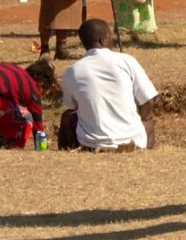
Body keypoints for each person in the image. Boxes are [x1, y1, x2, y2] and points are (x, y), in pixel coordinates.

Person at [59, 19, 158, 151]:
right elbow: (148, 101)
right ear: (103, 40)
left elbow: (71, 107)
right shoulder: (126, 61)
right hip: (131, 139)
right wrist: (143, 118)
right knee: (149, 121)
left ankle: (67, 151)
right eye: (110, 35)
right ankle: (144, 151)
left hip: (92, 143)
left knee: (68, 116)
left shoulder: (72, 71)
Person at [0, 60, 56, 148]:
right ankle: (9, 145)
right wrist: (41, 147)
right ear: (41, 84)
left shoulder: (15, 70)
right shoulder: (32, 87)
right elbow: (38, 127)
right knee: (26, 117)